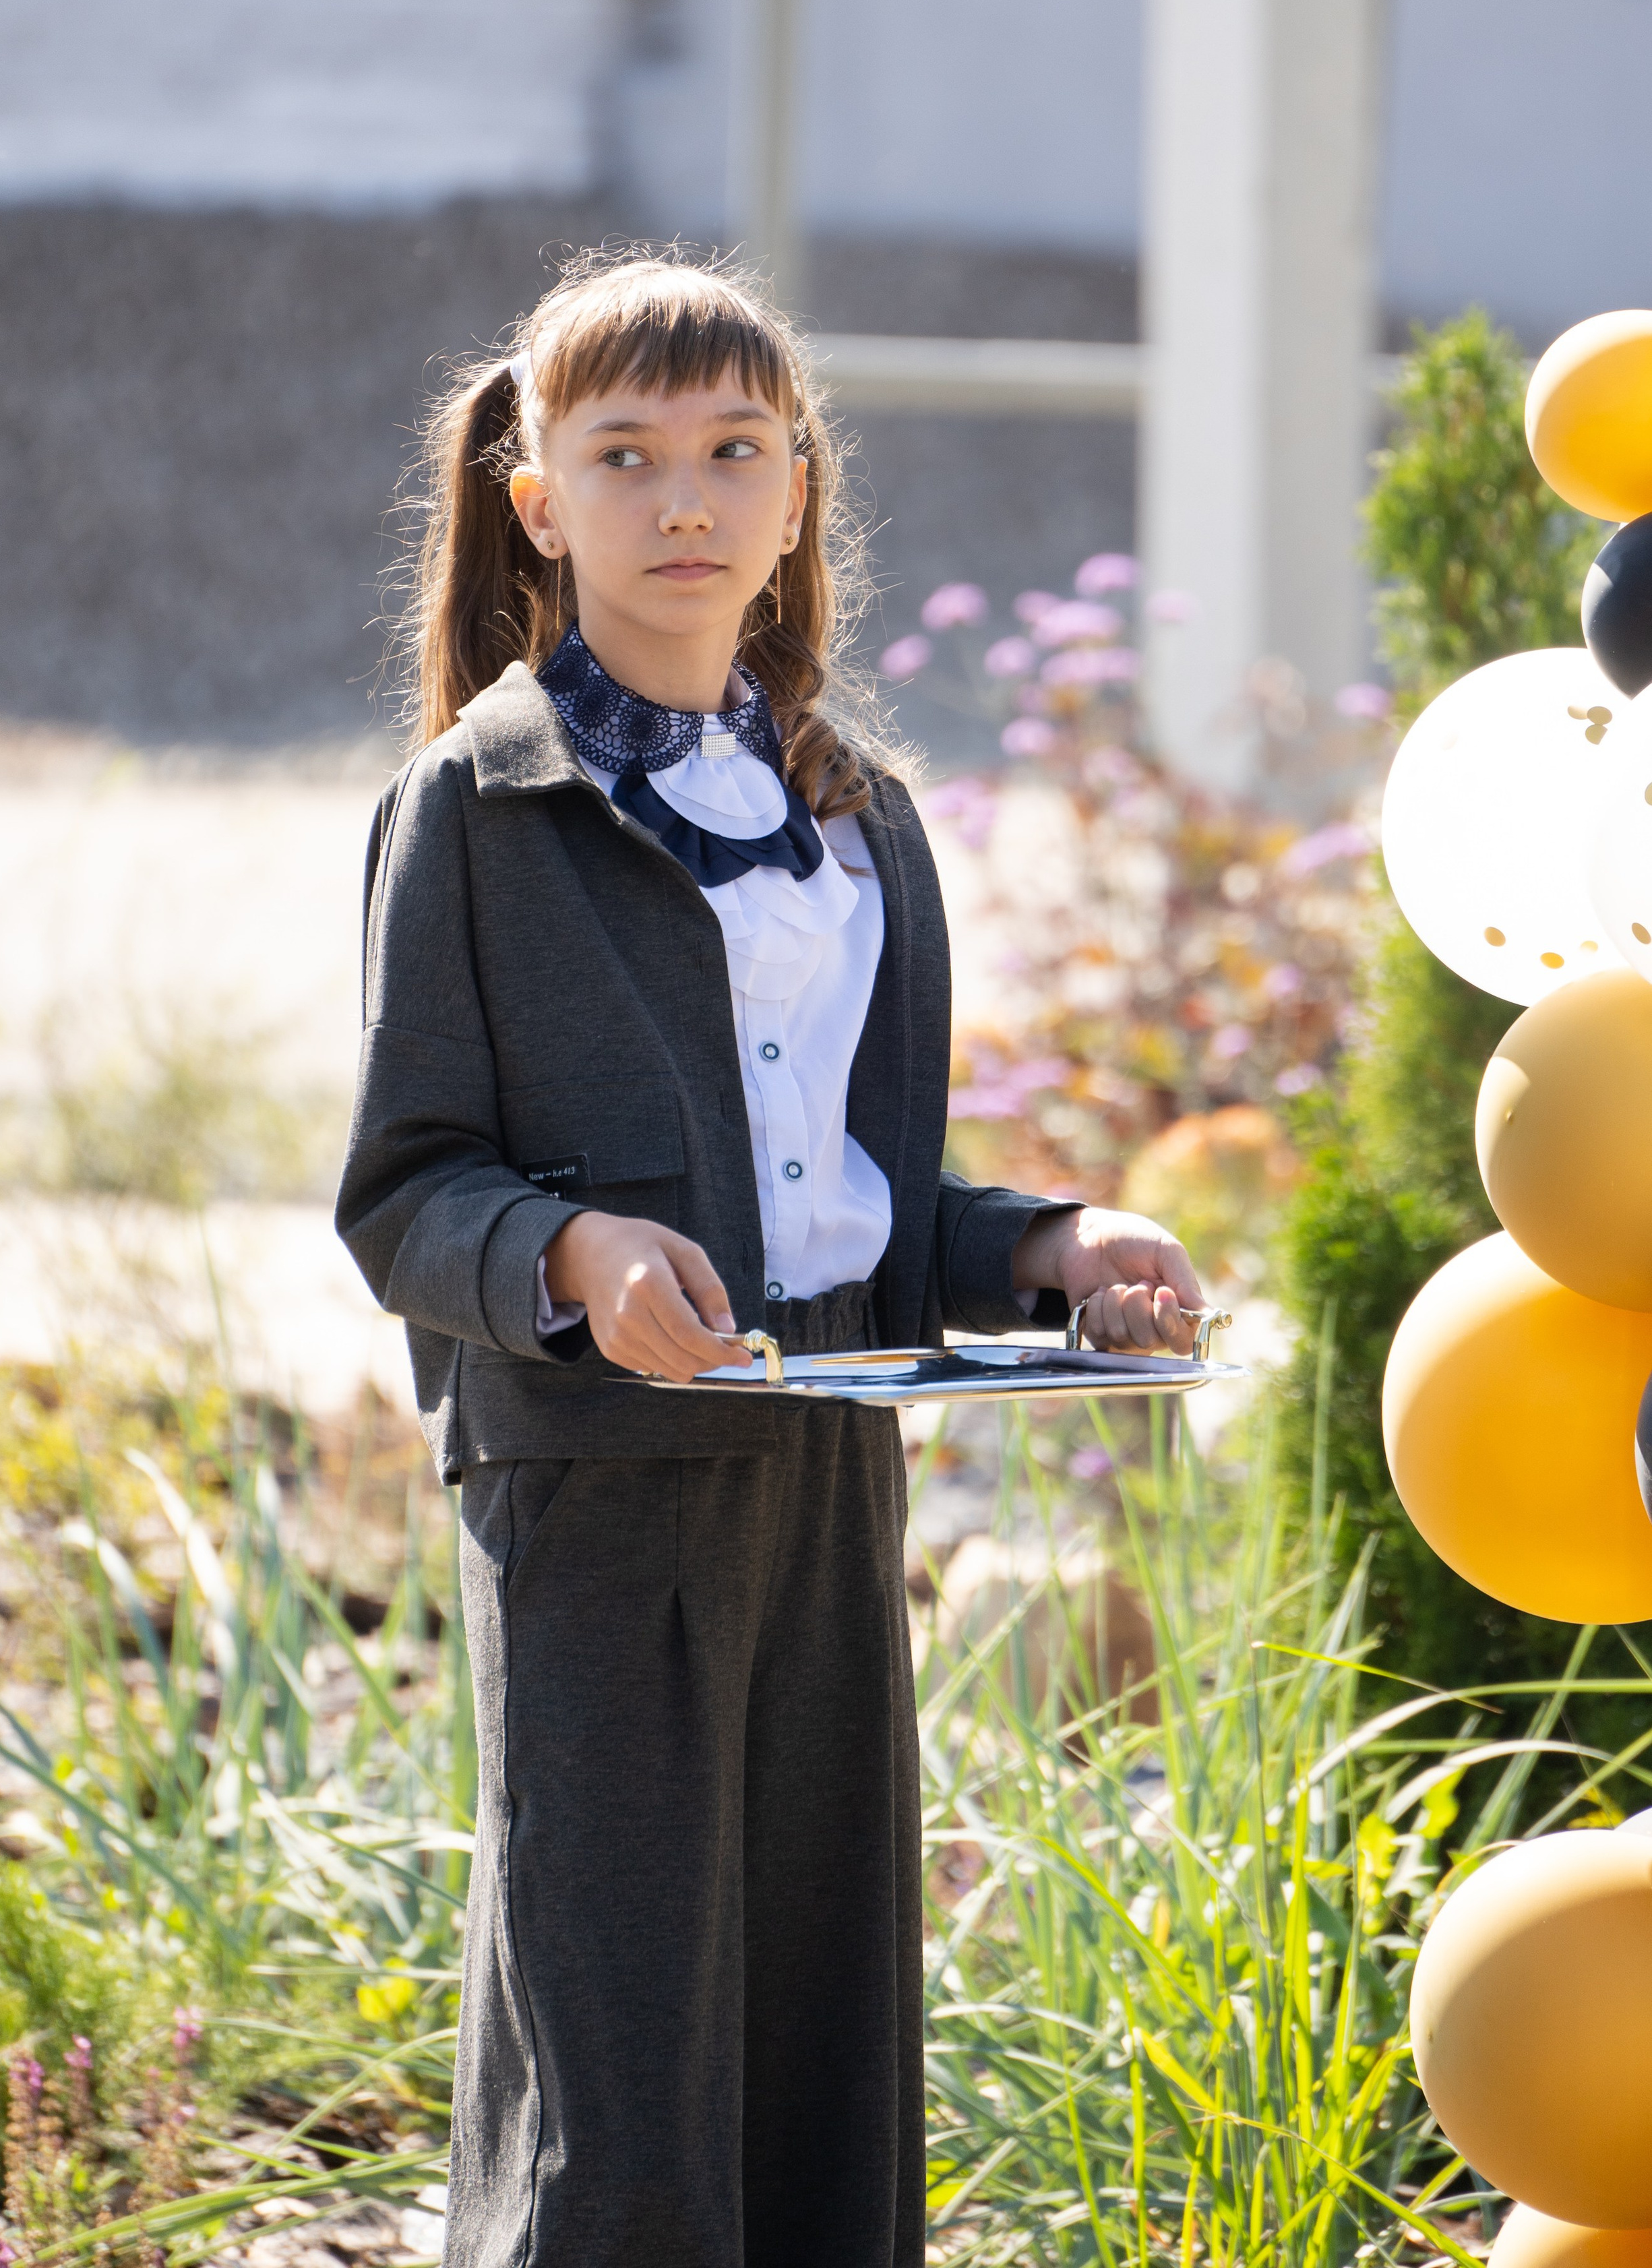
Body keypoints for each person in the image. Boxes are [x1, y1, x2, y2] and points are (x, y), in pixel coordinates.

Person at [335, 250, 1203, 2268]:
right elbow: (405, 1193)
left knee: (823, 2052)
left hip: (832, 1478)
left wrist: (1063, 1245)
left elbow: (865, 1199)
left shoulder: (862, 818)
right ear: (537, 499)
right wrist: (570, 1250)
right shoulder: (474, 805)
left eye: (736, 450)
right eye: (625, 457)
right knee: (619, 2077)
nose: (686, 499)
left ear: (800, 490)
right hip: (596, 1495)